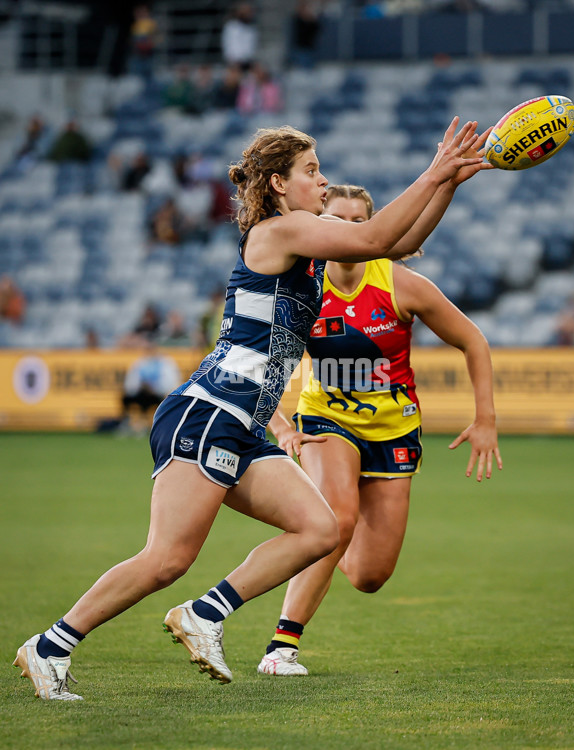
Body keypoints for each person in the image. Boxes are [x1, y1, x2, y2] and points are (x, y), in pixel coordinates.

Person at [13, 118, 489, 701]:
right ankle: (50, 646)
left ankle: (204, 615)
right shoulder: (277, 232)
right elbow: (370, 240)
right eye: (311, 171)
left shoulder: (306, 241)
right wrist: (436, 169)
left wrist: (450, 184)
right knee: (166, 559)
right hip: (211, 410)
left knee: (319, 529)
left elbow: (387, 245)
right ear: (279, 184)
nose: (322, 181)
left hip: (244, 424)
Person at [257, 178, 502, 677]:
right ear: (319, 225)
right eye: (335, 220)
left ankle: (323, 545)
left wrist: (485, 419)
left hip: (394, 431)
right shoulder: (303, 286)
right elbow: (253, 364)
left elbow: (473, 341)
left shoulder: (402, 284)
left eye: (358, 222)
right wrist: (281, 427)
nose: (346, 230)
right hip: (325, 418)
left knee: (370, 576)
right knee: (337, 519)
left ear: (374, 228)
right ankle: (281, 647)